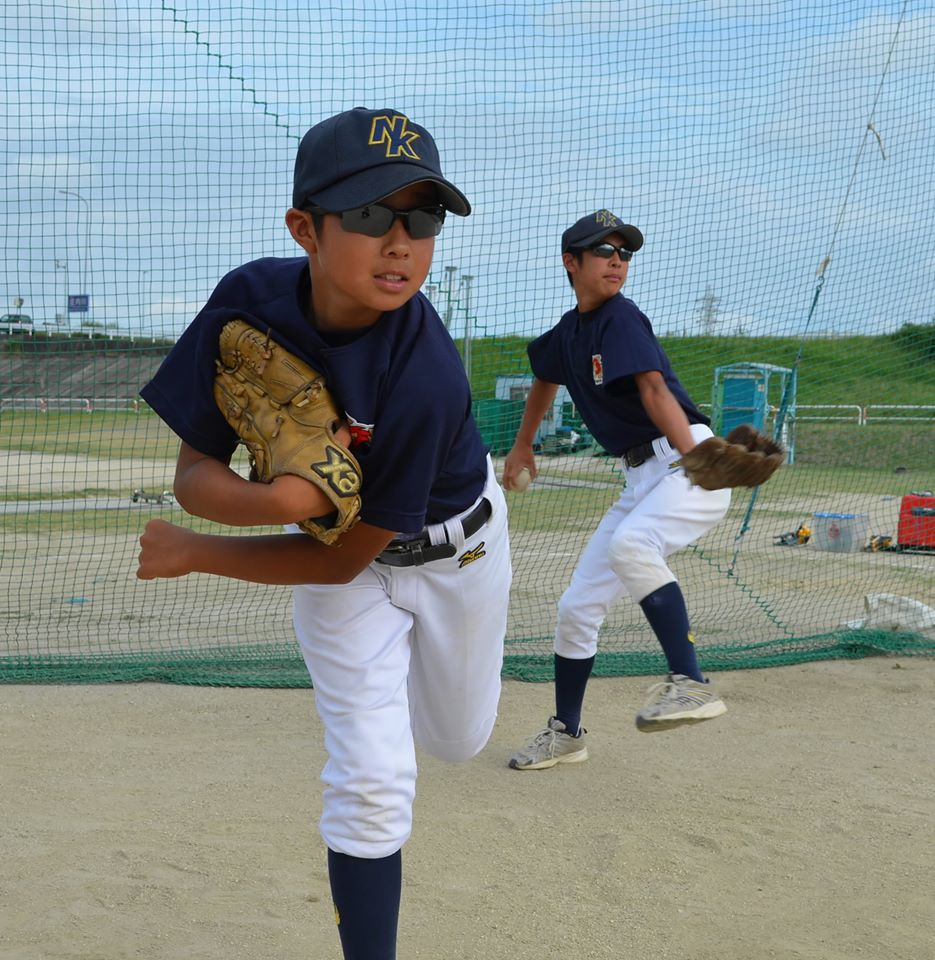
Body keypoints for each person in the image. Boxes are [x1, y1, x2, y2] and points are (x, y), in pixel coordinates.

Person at [136, 106, 512, 960]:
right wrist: (280, 501)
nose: (400, 241)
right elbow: (194, 474)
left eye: (422, 219)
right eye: (373, 213)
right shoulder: (249, 303)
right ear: (304, 227)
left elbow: (342, 555)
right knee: (374, 782)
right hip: (338, 569)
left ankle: (417, 689)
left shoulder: (425, 374)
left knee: (457, 741)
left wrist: (200, 550)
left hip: (456, 550)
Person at [503, 209, 731, 771]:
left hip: (683, 456)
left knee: (632, 546)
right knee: (577, 608)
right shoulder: (571, 330)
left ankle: (690, 682)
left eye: (624, 253)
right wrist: (524, 444)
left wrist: (696, 458)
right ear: (570, 262)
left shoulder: (621, 318)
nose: (617, 262)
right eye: (604, 252)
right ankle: (567, 732)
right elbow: (545, 376)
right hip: (642, 476)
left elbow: (654, 390)